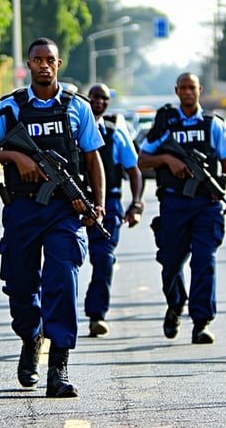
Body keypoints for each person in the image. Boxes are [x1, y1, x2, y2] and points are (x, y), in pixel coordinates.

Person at [0, 37, 106, 398]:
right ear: (28, 65)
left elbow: (93, 158)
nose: (44, 65)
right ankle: (31, 336)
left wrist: (99, 203)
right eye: (37, 60)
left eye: (50, 59)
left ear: (59, 64)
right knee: (20, 286)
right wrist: (16, 158)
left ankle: (58, 364)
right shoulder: (11, 108)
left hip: (63, 210)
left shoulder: (77, 108)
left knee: (63, 276)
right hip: (23, 209)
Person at [137, 72, 226, 345]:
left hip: (206, 204)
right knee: (171, 263)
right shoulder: (166, 124)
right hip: (174, 203)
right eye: (183, 87)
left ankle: (201, 322)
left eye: (192, 87)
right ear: (176, 90)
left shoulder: (212, 125)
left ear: (199, 90)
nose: (187, 92)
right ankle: (175, 304)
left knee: (204, 261)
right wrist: (168, 160)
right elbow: (143, 159)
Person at [84, 83, 145, 337]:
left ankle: (97, 314)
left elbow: (134, 171)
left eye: (104, 98)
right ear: (88, 99)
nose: (99, 102)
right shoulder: (72, 128)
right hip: (71, 205)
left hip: (108, 206)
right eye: (95, 97)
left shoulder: (115, 133)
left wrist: (136, 203)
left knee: (104, 258)